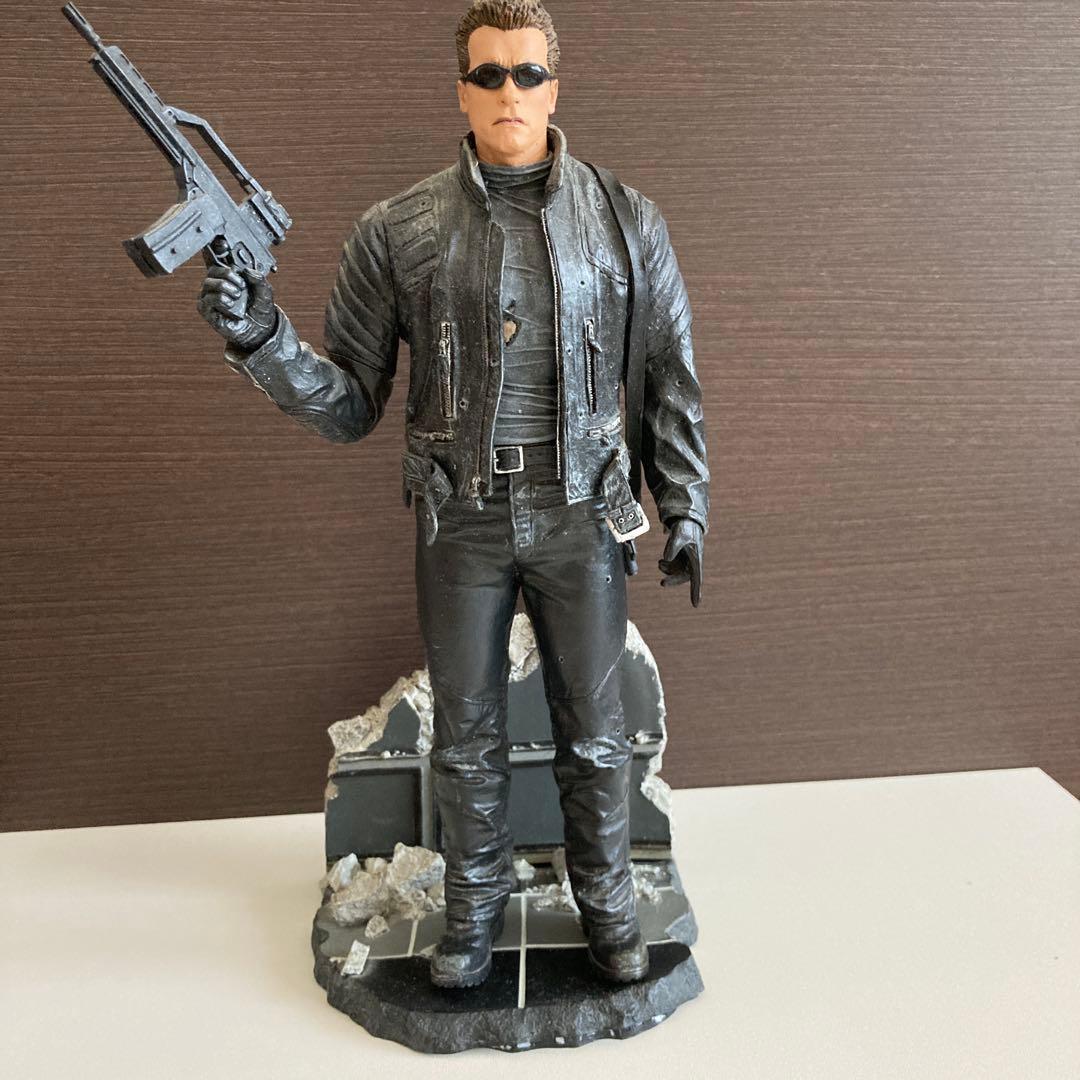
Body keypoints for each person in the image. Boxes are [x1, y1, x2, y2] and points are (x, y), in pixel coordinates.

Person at [197, 0, 708, 989]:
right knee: (465, 738)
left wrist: (684, 504)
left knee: (596, 734)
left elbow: (669, 376)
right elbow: (349, 402)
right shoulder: (399, 231)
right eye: (488, 74)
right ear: (460, 90)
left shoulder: (626, 222)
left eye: (527, 73)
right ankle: (471, 915)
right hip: (461, 517)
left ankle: (609, 906)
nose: (509, 92)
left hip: (581, 513)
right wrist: (261, 336)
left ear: (555, 87)